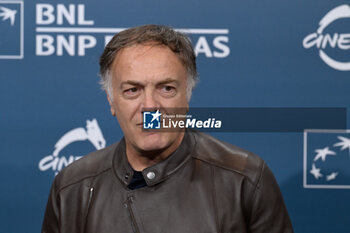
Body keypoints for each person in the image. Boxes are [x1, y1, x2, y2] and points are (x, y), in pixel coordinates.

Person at [42, 24, 293, 233]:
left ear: (187, 95)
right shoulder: (71, 188)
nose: (150, 107)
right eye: (132, 90)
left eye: (166, 89)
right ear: (111, 100)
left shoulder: (245, 179)